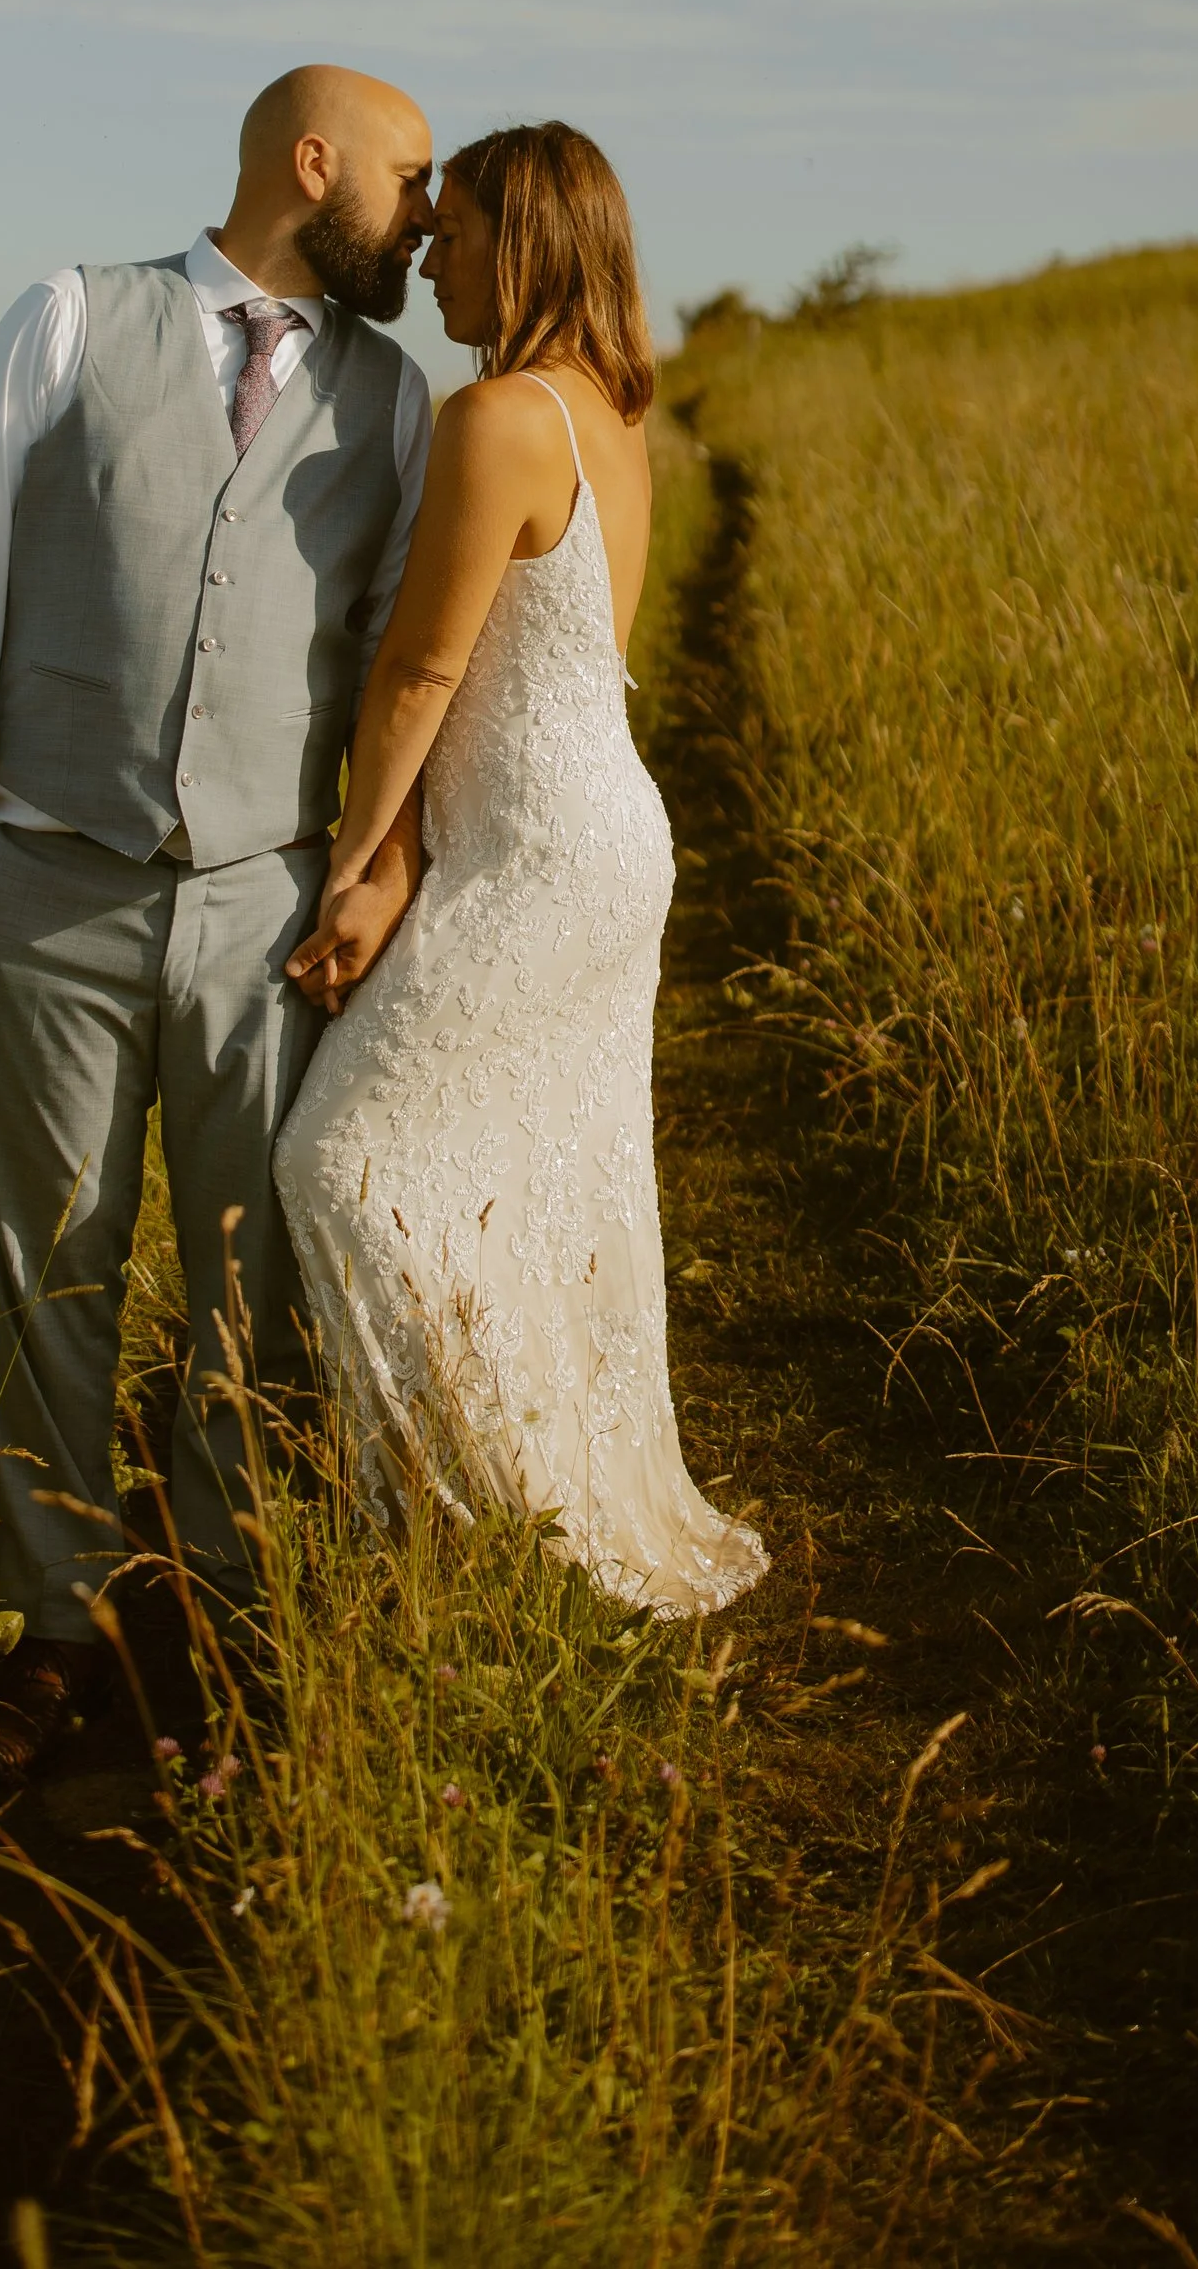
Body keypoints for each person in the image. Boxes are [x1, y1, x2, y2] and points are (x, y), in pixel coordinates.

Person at [0, 66, 437, 1776]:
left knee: (248, 1281)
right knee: (52, 1261)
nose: (426, 214)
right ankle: (54, 1618)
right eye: (410, 180)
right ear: (311, 162)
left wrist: (374, 865)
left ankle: (217, 1606)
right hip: (40, 883)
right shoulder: (68, 318)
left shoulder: (395, 398)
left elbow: (412, 660)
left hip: (265, 904)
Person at [276, 121, 767, 1618]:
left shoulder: (500, 418)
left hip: (546, 852)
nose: (427, 253)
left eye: (458, 228)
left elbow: (424, 671)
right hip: (598, 836)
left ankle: (467, 1519)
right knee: (533, 1181)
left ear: (531, 241)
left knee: (343, 1163)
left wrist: (357, 863)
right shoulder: (610, 411)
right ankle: (526, 1517)